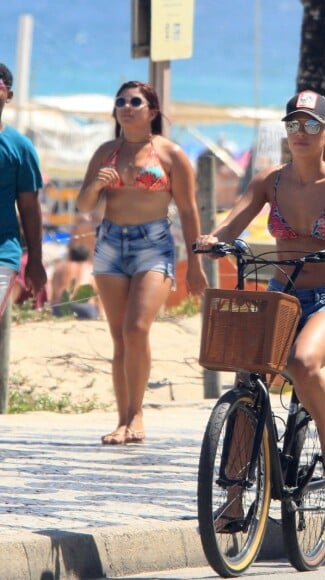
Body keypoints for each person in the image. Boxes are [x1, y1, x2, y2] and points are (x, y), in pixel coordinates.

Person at [197, 90, 325, 493]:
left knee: (303, 360)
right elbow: (231, 225)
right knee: (246, 382)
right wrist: (212, 239)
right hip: (281, 298)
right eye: (293, 124)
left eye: (311, 124)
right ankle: (236, 496)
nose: (301, 132)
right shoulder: (269, 181)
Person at [76, 80, 208, 445]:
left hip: (154, 244)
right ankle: (122, 419)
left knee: (137, 329)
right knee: (119, 336)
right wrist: (96, 186)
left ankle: (137, 414)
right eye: (120, 101)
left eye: (135, 101)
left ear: (151, 111)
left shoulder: (170, 154)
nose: (126, 106)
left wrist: (195, 264)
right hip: (110, 243)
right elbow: (83, 206)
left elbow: (187, 209)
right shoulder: (107, 151)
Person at [0, 63, 47, 317]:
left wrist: (36, 262)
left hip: (2, 253)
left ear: (9, 95)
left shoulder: (20, 147)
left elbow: (29, 208)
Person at [50, 242, 100, 319]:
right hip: (84, 307)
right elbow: (97, 293)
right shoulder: (91, 268)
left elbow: (53, 291)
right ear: (87, 256)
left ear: (70, 255)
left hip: (61, 306)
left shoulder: (60, 268)